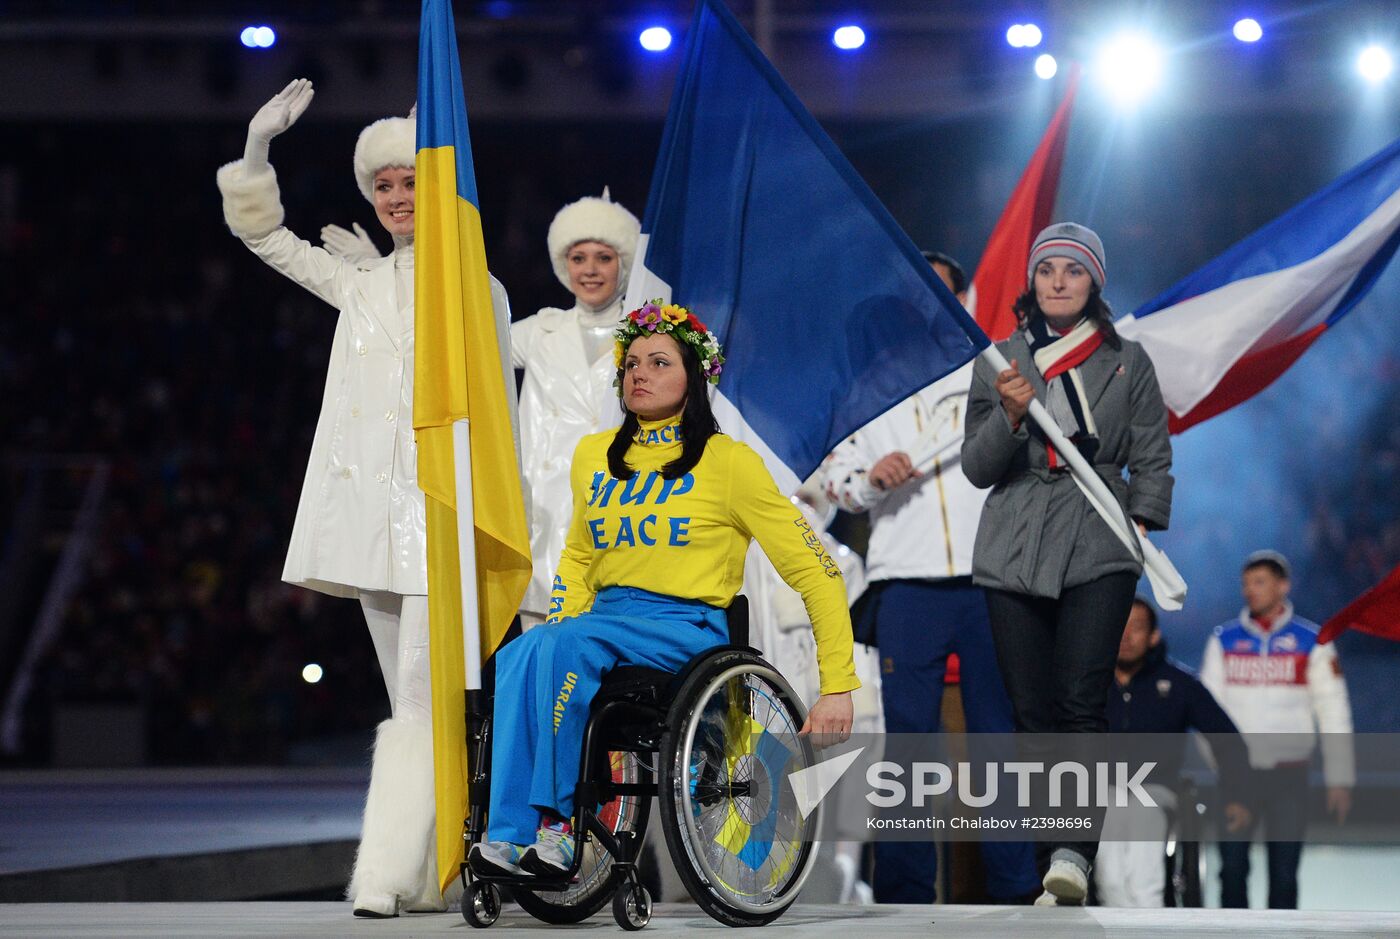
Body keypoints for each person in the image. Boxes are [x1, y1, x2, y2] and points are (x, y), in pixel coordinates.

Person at [215, 79, 510, 918]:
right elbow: (267, 239)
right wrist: (257, 148)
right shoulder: (361, 283)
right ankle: (433, 868)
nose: (395, 197)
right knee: (410, 699)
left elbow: (492, 418)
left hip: (439, 520)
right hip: (375, 527)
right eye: (383, 185)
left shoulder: (477, 289)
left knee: (421, 696)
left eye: (410, 181)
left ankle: (385, 872)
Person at [467, 301, 859, 876]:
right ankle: (505, 835)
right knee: (522, 653)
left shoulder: (730, 463)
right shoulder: (594, 455)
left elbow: (816, 570)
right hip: (605, 620)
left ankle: (558, 829)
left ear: (693, 378)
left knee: (560, 648)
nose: (638, 374)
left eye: (658, 362)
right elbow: (578, 555)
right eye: (630, 364)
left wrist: (837, 685)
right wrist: (561, 616)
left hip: (686, 629)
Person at [960, 222, 1174, 906]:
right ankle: (1052, 850)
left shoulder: (1128, 360)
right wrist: (1011, 417)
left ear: (1094, 283)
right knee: (1032, 711)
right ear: (1032, 280)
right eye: (1046, 268)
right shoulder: (997, 361)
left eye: (1072, 271)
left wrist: (1140, 521)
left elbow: (1153, 452)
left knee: (1081, 700)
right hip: (1014, 541)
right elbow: (977, 466)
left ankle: (1074, 855)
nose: (1057, 280)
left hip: (1097, 538)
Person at [822, 250, 1038, 904]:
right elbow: (833, 481)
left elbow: (1030, 459)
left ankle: (1016, 892)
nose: (931, 304)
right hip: (906, 583)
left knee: (998, 739)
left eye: (944, 293)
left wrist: (1016, 416)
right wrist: (868, 479)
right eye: (919, 293)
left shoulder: (994, 372)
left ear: (961, 301)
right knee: (909, 744)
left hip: (987, 577)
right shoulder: (865, 388)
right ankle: (905, 894)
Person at [510, 192, 641, 629]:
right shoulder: (539, 331)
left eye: (603, 257)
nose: (590, 269)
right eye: (578, 256)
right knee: (545, 670)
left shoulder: (650, 334)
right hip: (543, 523)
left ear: (623, 263)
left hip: (622, 517)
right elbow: (456, 344)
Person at [1200, 550, 1354, 909]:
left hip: (1290, 776)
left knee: (1284, 874)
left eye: (1259, 582)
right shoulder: (1222, 641)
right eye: (1246, 584)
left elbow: (1333, 711)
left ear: (1283, 585)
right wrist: (1223, 769)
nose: (1250, 591)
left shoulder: (1312, 641)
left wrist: (1340, 778)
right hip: (1237, 777)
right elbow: (1208, 715)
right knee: (1233, 871)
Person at [1095, 597, 1252, 907]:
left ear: (1153, 636)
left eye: (1137, 628)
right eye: (1120, 627)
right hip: (1101, 792)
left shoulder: (1179, 685)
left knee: (1140, 830)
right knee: (1111, 864)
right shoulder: (1087, 685)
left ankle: (1149, 915)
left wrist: (1237, 796)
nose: (1126, 636)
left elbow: (1228, 741)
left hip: (1156, 791)